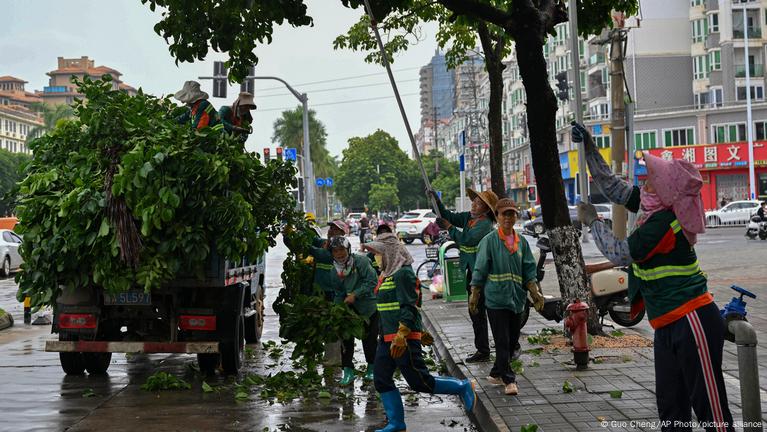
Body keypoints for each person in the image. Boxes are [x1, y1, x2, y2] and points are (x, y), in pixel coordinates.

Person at [573, 123, 734, 432]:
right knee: (671, 409)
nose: (644, 184)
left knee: (710, 410)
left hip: (692, 319)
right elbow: (614, 188)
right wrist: (591, 149)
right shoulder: (653, 207)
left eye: (650, 181)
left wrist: (594, 222)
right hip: (666, 323)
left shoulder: (662, 222)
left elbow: (621, 253)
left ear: (663, 191)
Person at [363, 233, 476, 432]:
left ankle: (462, 386)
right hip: (386, 338)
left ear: (389, 253)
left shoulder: (403, 273)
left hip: (402, 338)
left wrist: (403, 334)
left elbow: (410, 305)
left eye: (378, 253)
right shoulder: (386, 274)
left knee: (420, 381)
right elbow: (385, 309)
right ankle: (396, 424)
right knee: (381, 379)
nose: (375, 257)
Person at [470, 198, 545, 396]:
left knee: (512, 341)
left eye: (511, 214)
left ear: (516, 216)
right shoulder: (489, 241)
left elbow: (529, 269)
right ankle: (509, 380)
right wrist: (475, 294)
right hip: (495, 299)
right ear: (497, 216)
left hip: (516, 300)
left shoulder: (521, 242)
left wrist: (534, 291)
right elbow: (479, 269)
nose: (508, 218)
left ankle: (496, 372)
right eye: (504, 214)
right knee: (502, 341)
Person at [428, 188, 498, 363]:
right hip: (472, 271)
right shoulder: (469, 218)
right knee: (475, 312)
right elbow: (449, 216)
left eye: (479, 203)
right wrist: (436, 200)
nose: (474, 204)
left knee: (481, 311)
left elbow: (466, 240)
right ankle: (482, 349)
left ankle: (490, 349)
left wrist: (450, 228)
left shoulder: (485, 224)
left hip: (483, 274)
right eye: (474, 201)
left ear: (487, 209)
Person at [327, 236, 379, 386]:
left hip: (368, 308)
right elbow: (338, 292)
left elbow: (372, 281)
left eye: (342, 250)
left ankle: (372, 368)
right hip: (348, 311)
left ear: (348, 249)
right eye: (335, 251)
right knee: (346, 341)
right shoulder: (334, 270)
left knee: (369, 340)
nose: (339, 254)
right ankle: (348, 371)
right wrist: (337, 309)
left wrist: (355, 294)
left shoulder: (361, 262)